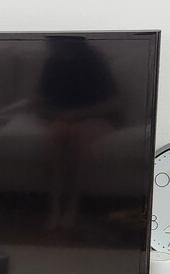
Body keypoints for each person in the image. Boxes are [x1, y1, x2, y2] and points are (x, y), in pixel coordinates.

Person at [35, 35, 122, 231]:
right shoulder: (51, 62)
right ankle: (54, 208)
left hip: (100, 116)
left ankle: (72, 208)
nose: (49, 44)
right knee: (54, 138)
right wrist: (52, 114)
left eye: (53, 41)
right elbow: (41, 99)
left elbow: (114, 104)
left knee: (77, 136)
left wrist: (77, 115)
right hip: (64, 117)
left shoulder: (93, 60)